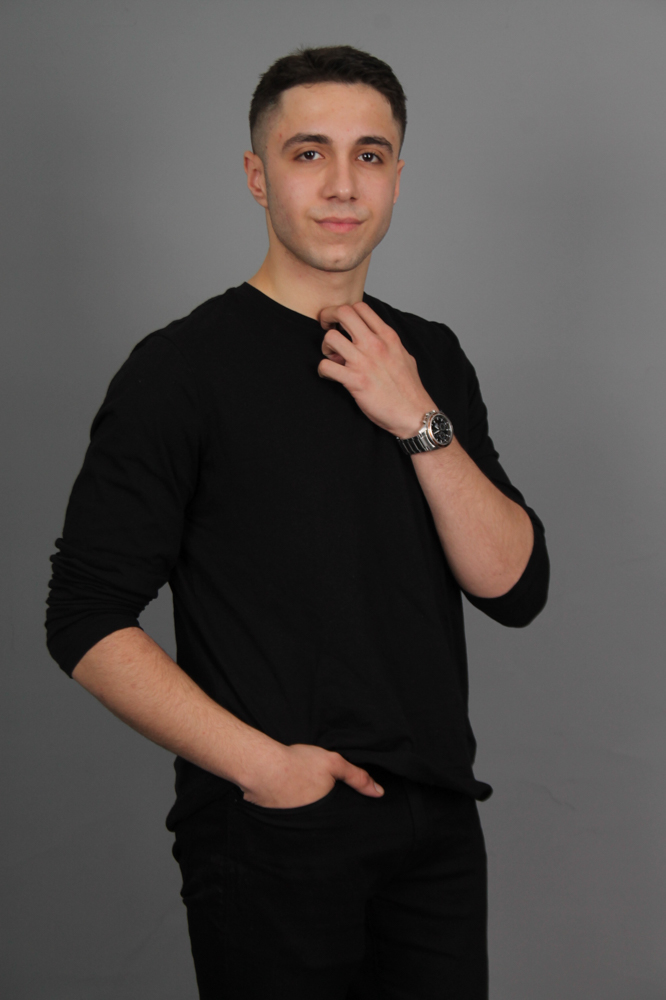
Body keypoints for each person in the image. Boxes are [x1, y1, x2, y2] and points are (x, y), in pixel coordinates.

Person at [46, 45, 549, 1000]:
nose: (342, 184)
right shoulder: (181, 370)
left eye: (370, 155)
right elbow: (82, 616)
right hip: (273, 828)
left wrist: (417, 417)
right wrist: (266, 768)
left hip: (437, 824)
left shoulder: (429, 355)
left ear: (397, 175)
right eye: (309, 152)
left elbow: (513, 586)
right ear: (257, 175)